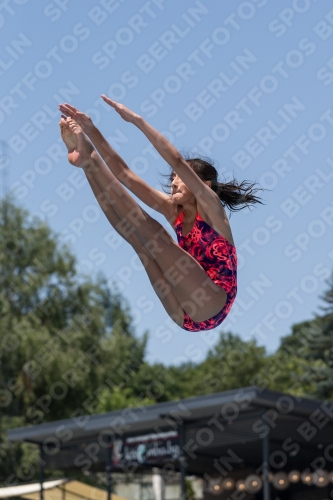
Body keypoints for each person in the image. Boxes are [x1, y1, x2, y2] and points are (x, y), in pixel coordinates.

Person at [59, 98, 262, 332]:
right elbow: (124, 174)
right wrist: (92, 131)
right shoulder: (172, 210)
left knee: (153, 236)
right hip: (183, 313)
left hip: (213, 302)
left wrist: (137, 121)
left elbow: (175, 158)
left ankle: (90, 159)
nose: (174, 183)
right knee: (137, 239)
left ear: (203, 186)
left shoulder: (211, 209)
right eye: (172, 178)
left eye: (179, 178)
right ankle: (89, 162)